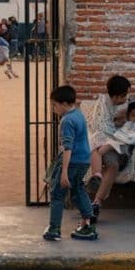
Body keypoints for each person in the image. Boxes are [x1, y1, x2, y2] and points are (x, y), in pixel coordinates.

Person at [84, 76, 135, 221]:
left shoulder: (127, 108)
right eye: (124, 96)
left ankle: (96, 203)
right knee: (98, 152)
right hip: (100, 143)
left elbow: (129, 133)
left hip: (117, 147)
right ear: (115, 96)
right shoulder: (101, 106)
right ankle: (96, 184)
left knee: (113, 164)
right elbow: (99, 128)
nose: (126, 99)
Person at [43, 85, 98, 241]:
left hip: (72, 162)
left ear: (65, 103)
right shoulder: (79, 115)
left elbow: (68, 147)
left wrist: (64, 171)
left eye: (55, 105)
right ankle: (89, 225)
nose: (54, 109)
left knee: (57, 194)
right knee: (78, 191)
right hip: (83, 160)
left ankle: (54, 229)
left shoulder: (67, 121)